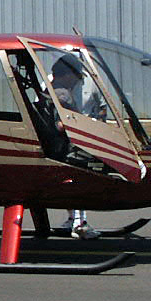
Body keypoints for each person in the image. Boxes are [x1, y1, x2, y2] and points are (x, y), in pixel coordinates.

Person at [49, 54, 101, 239]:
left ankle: (72, 219)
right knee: (85, 176)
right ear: (67, 75)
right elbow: (60, 124)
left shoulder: (51, 89)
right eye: (76, 76)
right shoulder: (62, 94)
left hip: (58, 147)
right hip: (67, 149)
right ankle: (80, 223)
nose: (78, 81)